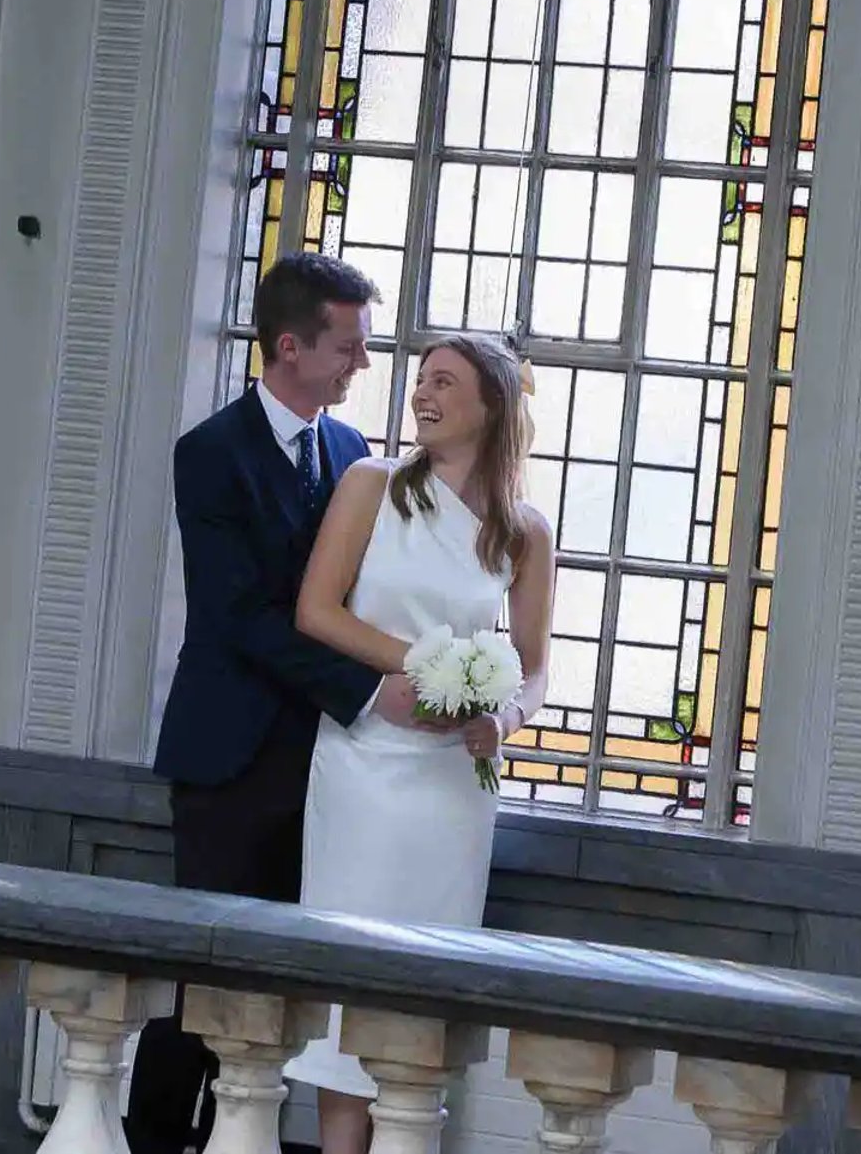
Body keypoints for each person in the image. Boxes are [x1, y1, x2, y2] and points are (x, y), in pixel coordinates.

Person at [125, 252, 420, 1154]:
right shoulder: (209, 453)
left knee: (282, 986)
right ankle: (156, 1140)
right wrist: (374, 688)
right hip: (229, 757)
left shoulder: (351, 455)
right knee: (206, 976)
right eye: (348, 347)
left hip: (328, 764)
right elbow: (242, 613)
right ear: (290, 346)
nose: (361, 365)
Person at [283, 332, 555, 1154]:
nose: (422, 394)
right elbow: (316, 612)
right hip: (363, 765)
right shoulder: (371, 485)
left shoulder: (524, 529)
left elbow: (535, 670)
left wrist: (497, 718)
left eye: (444, 381)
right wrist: (425, 666)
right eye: (421, 380)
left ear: (491, 406)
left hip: (450, 790)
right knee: (345, 992)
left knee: (419, 999)